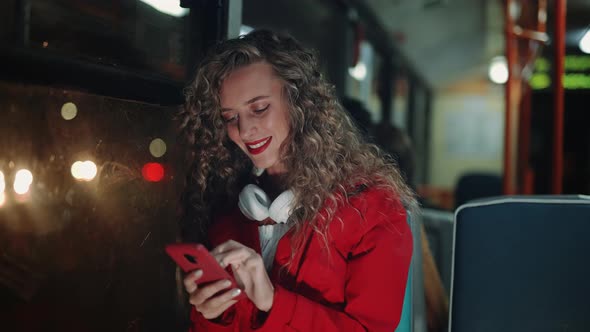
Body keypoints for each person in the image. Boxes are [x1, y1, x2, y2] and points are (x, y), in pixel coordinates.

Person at [176, 29, 416, 331]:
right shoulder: (229, 212)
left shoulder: (372, 209)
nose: (245, 130)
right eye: (229, 117)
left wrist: (274, 303)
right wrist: (213, 316)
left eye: (259, 108)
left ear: (298, 102)